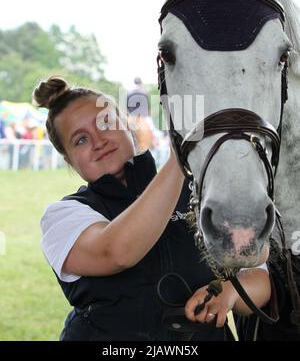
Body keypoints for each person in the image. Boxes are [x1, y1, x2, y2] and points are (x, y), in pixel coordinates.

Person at [33, 76, 271, 341]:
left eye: (106, 123)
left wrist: (230, 292)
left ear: (127, 125)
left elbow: (259, 271)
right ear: (69, 159)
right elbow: (118, 252)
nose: (98, 141)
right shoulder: (63, 216)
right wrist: (181, 155)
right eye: (80, 140)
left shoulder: (200, 193)